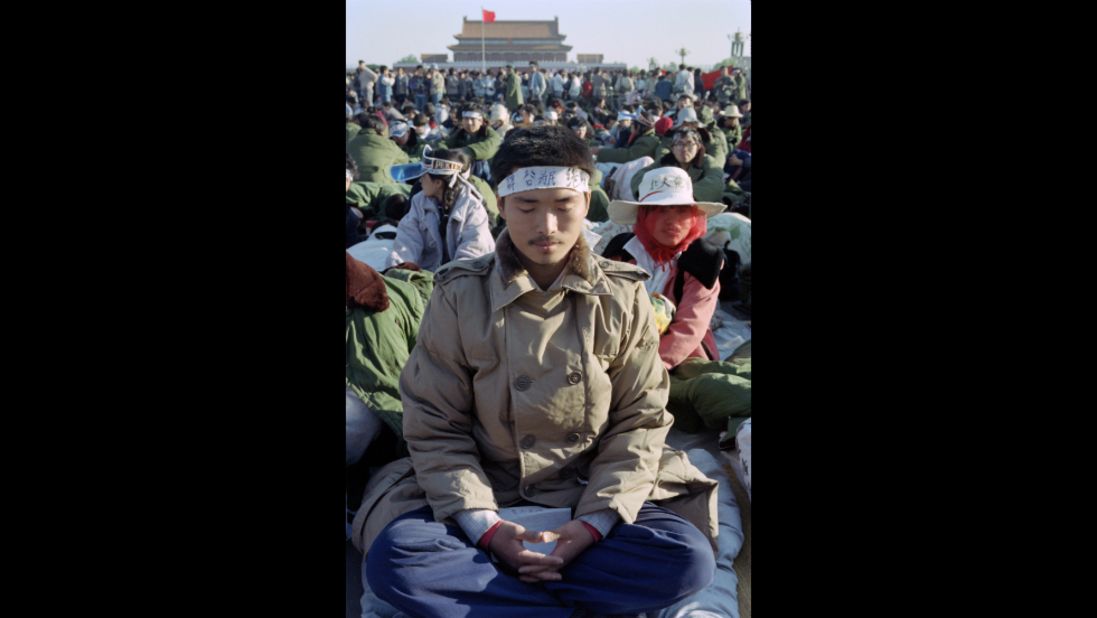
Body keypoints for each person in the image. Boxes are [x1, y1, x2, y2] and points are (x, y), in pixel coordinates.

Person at [357, 126, 718, 618]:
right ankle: (554, 593)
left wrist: (592, 524)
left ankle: (505, 598)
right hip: (487, 483)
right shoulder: (457, 293)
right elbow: (434, 424)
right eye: (527, 207)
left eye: (563, 205)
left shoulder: (624, 294)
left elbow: (642, 420)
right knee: (397, 559)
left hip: (590, 483)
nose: (546, 224)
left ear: (587, 201)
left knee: (686, 558)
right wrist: (486, 527)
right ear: (501, 207)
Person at [605, 166, 751, 436]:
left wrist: (645, 371)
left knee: (709, 386)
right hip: (619, 356)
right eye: (660, 210)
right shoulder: (621, 253)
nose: (671, 220)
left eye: (681, 210)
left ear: (694, 216)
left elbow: (689, 328)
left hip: (679, 358)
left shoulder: (703, 260)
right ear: (644, 215)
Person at [385, 147, 495, 272]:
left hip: (463, 279)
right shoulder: (419, 202)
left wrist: (449, 281)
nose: (420, 180)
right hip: (428, 273)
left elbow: (473, 253)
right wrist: (399, 270)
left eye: (424, 176)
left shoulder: (472, 208)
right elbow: (407, 241)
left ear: (438, 183)